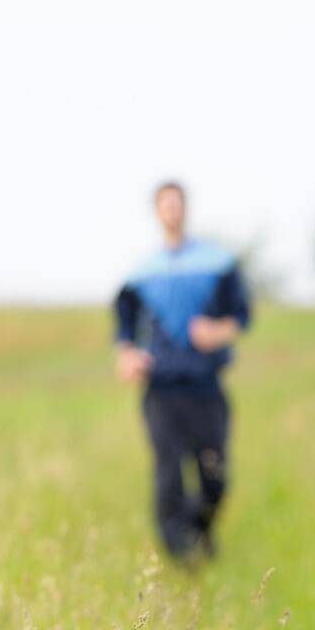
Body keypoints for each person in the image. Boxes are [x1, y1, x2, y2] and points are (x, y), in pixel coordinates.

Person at [113, 180, 250, 559]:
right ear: (157, 212)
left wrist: (218, 331)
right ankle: (179, 558)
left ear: (185, 208)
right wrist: (127, 354)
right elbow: (124, 324)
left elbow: (241, 315)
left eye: (177, 203)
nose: (172, 210)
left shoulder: (217, 263)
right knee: (168, 475)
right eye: (165, 205)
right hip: (160, 388)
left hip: (206, 386)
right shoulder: (142, 272)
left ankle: (199, 534)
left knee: (215, 478)